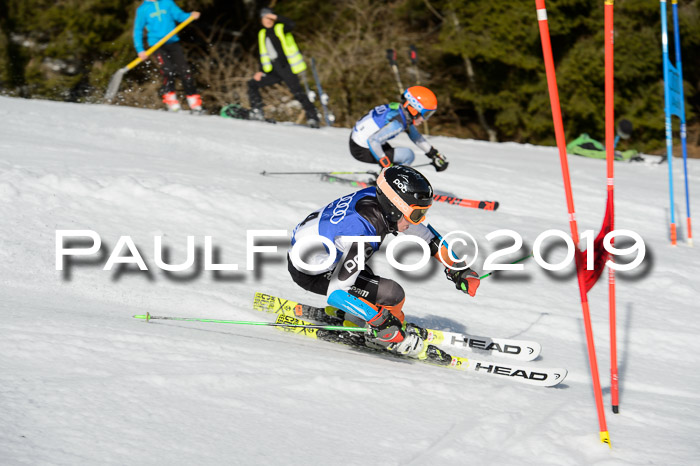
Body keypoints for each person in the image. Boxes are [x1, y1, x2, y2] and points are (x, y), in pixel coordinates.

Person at [288, 165, 480, 362]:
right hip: (311, 273)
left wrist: (459, 267)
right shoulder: (363, 231)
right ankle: (385, 338)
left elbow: (427, 237)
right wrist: (382, 322)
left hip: (321, 255)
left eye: (423, 213)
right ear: (395, 208)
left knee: (369, 282)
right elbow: (337, 292)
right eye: (416, 214)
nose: (419, 220)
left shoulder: (378, 198)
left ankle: (355, 321)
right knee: (393, 295)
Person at [248, 8, 319, 128]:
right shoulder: (262, 34)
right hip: (273, 70)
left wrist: (275, 16)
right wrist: (260, 71)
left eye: (270, 18)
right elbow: (264, 54)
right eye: (265, 18)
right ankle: (257, 111)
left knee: (297, 93)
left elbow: (291, 24)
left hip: (286, 67)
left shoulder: (280, 28)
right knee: (253, 83)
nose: (268, 21)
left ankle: (313, 118)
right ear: (261, 20)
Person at [350, 86, 449, 171]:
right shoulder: (397, 122)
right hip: (362, 148)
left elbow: (415, 137)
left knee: (397, 156)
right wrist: (386, 164)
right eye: (425, 114)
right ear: (413, 110)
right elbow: (373, 141)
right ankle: (390, 182)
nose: (424, 120)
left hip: (360, 140)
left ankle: (387, 178)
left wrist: (434, 154)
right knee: (408, 155)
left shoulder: (400, 111)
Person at [133, 0, 203, 113]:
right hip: (157, 45)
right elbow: (138, 30)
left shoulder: (167, 3)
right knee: (168, 71)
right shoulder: (142, 9)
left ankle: (194, 103)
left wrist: (190, 15)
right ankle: (171, 102)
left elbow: (180, 16)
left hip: (173, 42)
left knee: (186, 71)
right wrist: (140, 49)